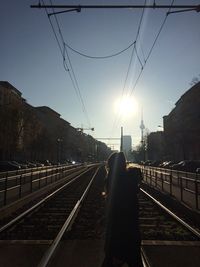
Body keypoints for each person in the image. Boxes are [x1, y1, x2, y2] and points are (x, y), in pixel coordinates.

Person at [102, 152, 142, 267]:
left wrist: (115, 249)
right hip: (133, 235)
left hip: (118, 240)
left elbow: (117, 217)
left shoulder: (115, 184)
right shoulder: (130, 180)